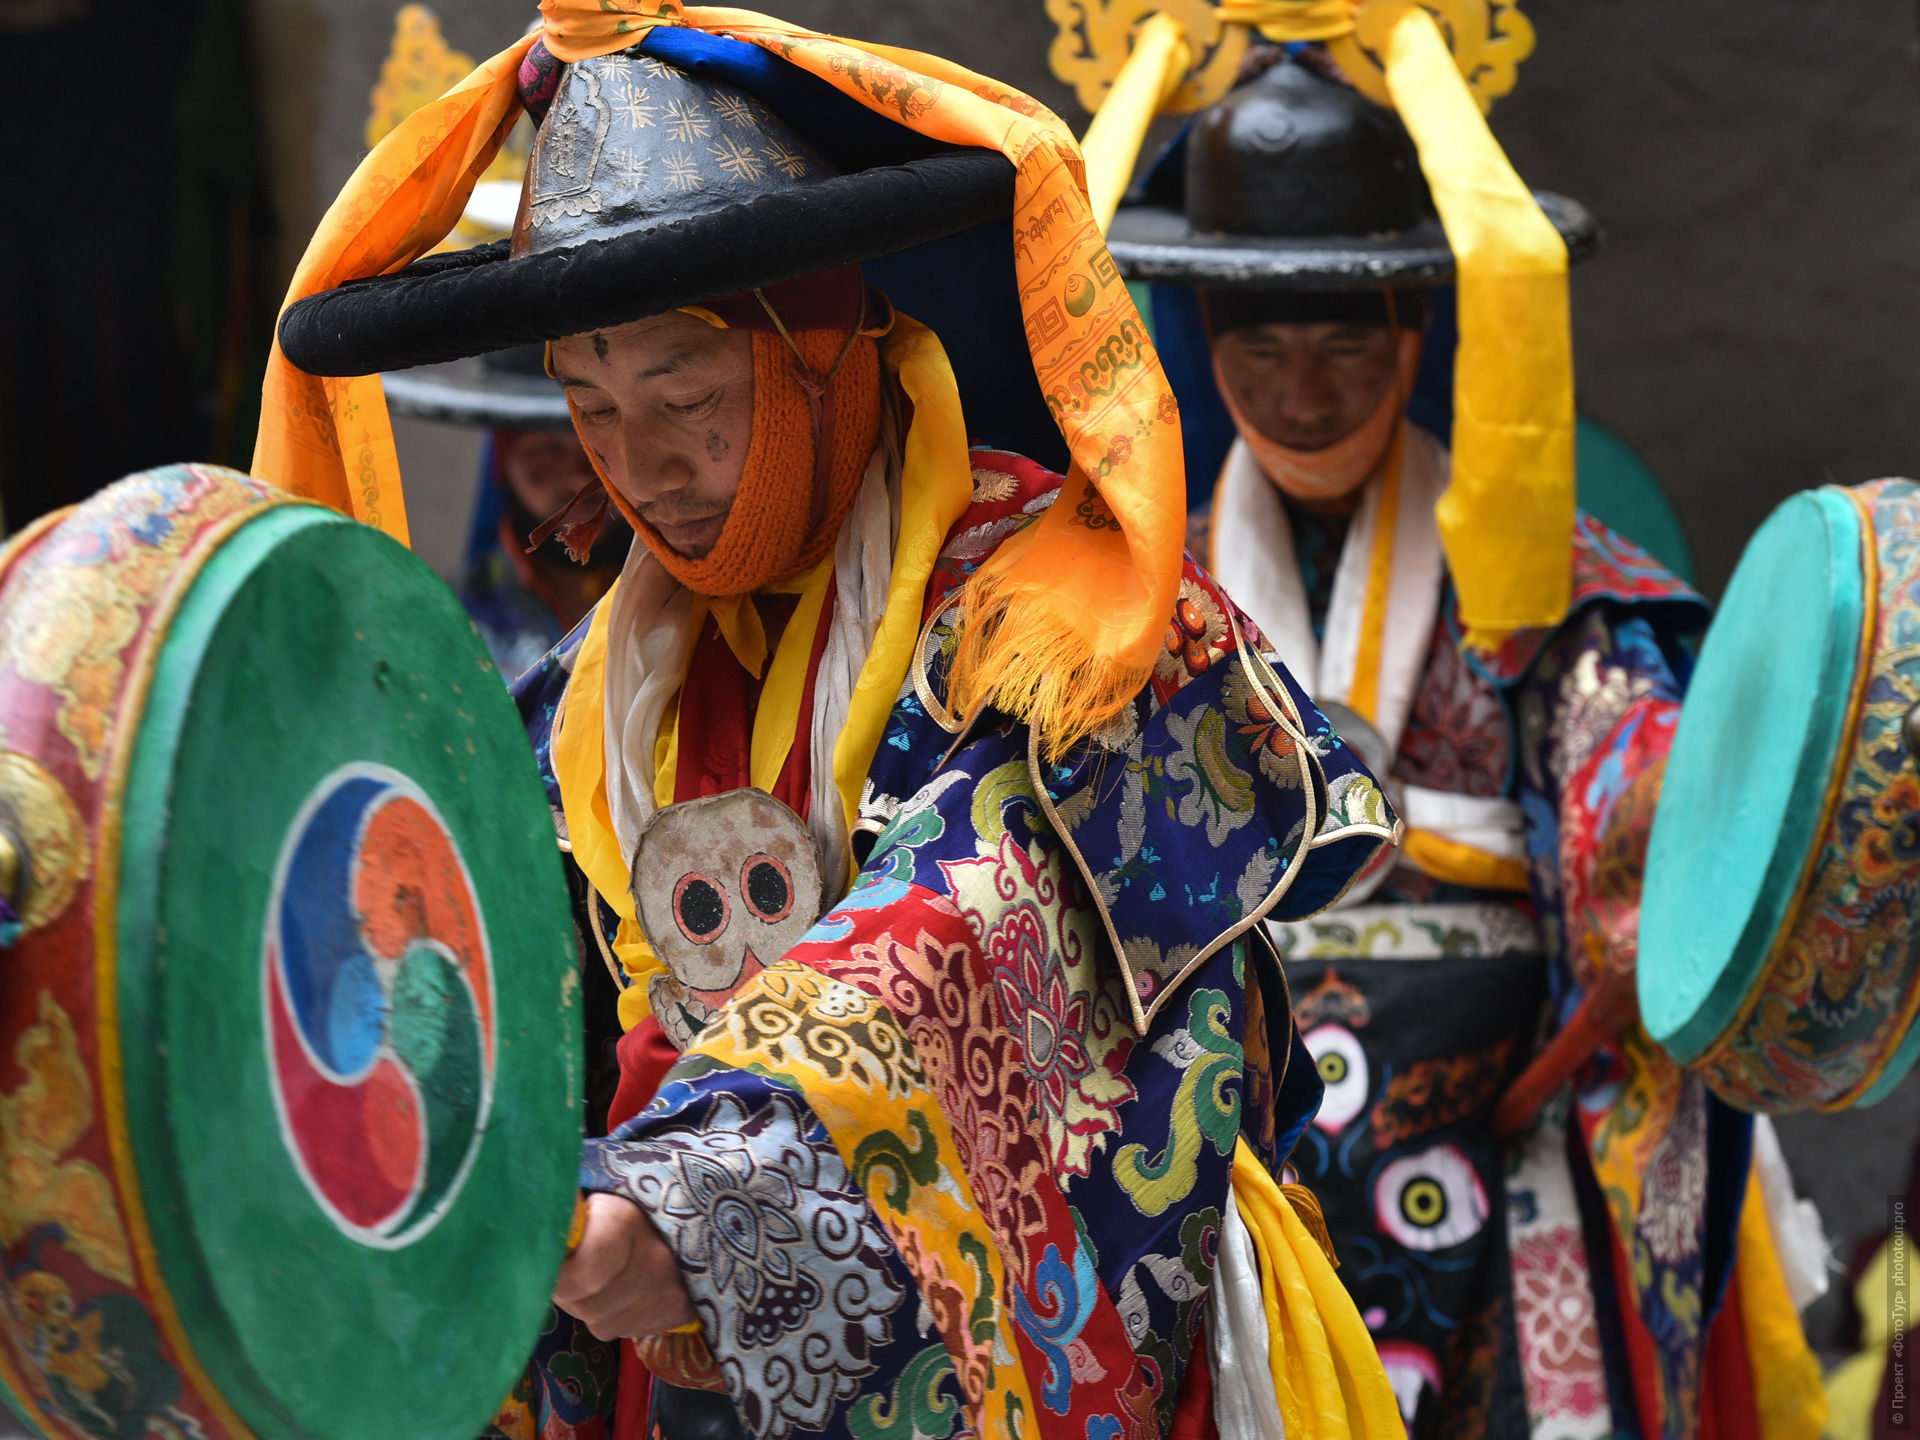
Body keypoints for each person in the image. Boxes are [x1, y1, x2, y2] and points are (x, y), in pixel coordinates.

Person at [257, 8, 1409, 1438]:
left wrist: (700, 1200)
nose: (645, 468)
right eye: (594, 410)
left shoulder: (1073, 622)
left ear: (825, 352)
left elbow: (975, 929)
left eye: (687, 395)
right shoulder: (573, 710)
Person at [1105, 44, 1828, 1440]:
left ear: (1415, 336)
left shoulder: (1552, 593)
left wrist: (1709, 806)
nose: (1305, 395)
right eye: (1260, 345)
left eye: (1346, 344)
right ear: (1201, 336)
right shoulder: (1138, 605)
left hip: (1511, 1159)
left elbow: (1644, 788)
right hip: (1228, 1188)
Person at [384, 344, 632, 679]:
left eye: (599, 447)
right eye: (549, 449)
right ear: (502, 463)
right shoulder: (446, 632)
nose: (579, 475)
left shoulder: (695, 608)